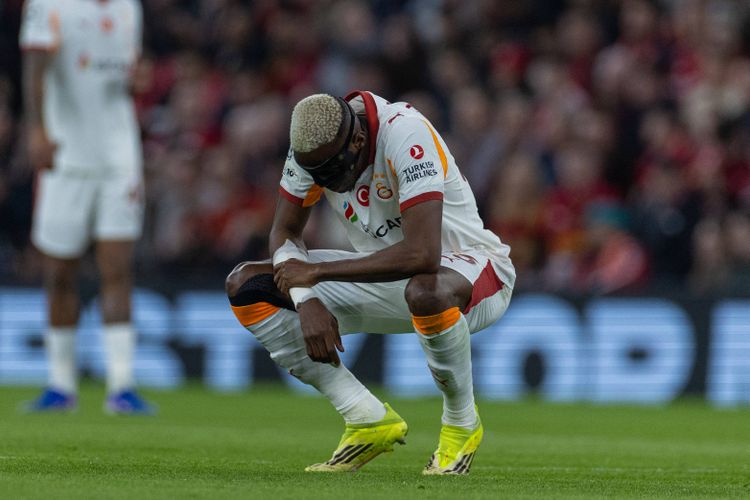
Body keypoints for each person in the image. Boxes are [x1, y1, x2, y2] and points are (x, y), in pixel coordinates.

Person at [226, 91, 515, 474]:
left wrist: (316, 273)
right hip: (384, 277)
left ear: (359, 140)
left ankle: (461, 425)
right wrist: (305, 298)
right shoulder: (312, 150)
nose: (329, 183)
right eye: (318, 176)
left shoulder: (406, 133)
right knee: (246, 286)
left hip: (471, 273)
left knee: (425, 290)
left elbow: (422, 255)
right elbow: (284, 232)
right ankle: (365, 417)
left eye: (333, 171)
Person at [20, 0, 154, 414]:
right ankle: (61, 385)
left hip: (119, 158)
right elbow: (34, 67)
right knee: (60, 272)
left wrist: (137, 81)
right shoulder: (48, 5)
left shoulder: (130, 8)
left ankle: (122, 386)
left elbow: (128, 73)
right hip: (66, 156)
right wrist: (37, 130)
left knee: (118, 269)